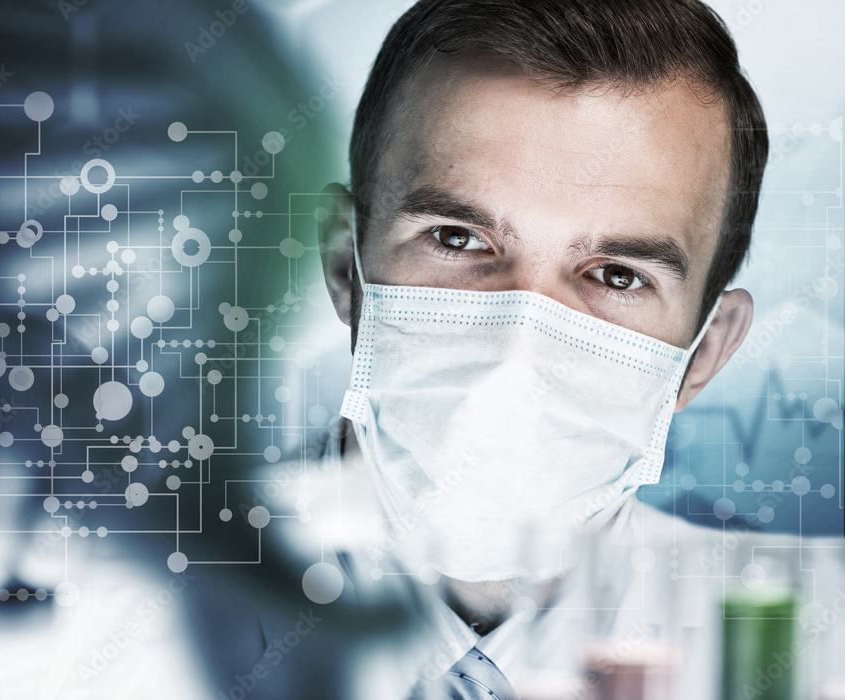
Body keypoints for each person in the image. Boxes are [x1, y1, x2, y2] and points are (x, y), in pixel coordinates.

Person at [232, 0, 838, 696]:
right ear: (346, 262)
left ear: (705, 353)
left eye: (617, 276)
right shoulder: (108, 630)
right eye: (458, 239)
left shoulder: (819, 652)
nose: (518, 345)